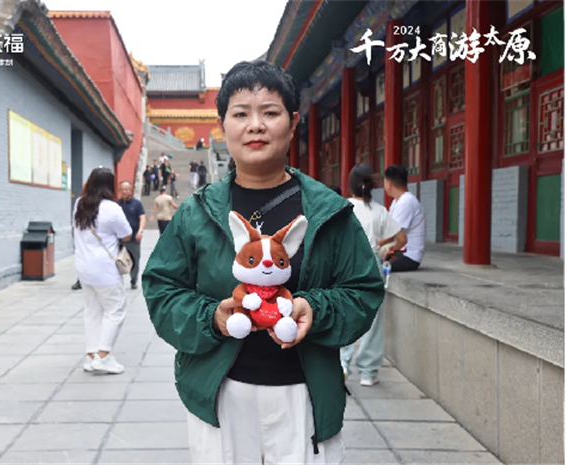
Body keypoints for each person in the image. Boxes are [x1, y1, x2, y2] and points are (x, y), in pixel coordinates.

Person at [142, 61, 384, 464]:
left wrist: (314, 309)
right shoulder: (197, 213)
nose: (255, 126)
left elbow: (363, 290)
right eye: (241, 114)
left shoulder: (329, 212)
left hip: (305, 395)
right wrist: (212, 317)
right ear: (223, 126)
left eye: (270, 112)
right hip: (220, 395)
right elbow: (161, 289)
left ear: (292, 123)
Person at [339, 164, 407, 387]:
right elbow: (402, 239)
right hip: (371, 266)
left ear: (350, 184)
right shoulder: (380, 211)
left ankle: (342, 363)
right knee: (373, 322)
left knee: (344, 316)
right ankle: (368, 372)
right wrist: (386, 249)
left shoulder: (342, 208)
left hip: (345, 267)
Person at [73, 167, 132, 374]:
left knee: (92, 311)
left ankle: (91, 355)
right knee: (115, 310)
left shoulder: (79, 204)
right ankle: (103, 356)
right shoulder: (111, 208)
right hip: (105, 269)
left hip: (83, 267)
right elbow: (126, 234)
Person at [383, 165, 426, 272]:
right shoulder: (397, 201)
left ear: (388, 183)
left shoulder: (406, 202)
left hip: (408, 256)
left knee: (371, 267)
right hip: (400, 251)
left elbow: (391, 235)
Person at [118, 181, 146, 290]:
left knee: (135, 259)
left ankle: (133, 279)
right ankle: (117, 280)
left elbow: (142, 217)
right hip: (119, 238)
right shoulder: (117, 204)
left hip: (133, 237)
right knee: (116, 259)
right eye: (122, 189)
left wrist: (140, 231)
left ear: (131, 191)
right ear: (119, 191)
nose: (124, 191)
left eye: (127, 189)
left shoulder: (137, 204)